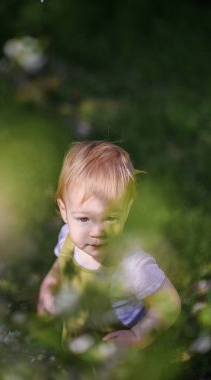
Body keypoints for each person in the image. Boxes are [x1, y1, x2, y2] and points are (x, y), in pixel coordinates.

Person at [37, 140, 181, 353]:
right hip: (80, 345)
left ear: (127, 210)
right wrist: (48, 288)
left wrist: (137, 336)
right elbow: (61, 267)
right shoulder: (68, 237)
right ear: (64, 211)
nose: (97, 232)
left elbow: (169, 304)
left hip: (122, 356)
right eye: (84, 219)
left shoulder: (133, 266)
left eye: (111, 218)